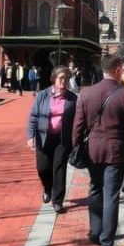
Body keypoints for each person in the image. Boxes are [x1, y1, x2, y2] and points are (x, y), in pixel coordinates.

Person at [73, 54, 124, 246]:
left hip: (93, 150)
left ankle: (95, 231)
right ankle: (107, 245)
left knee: (95, 188)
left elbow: (78, 125)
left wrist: (76, 145)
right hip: (116, 151)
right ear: (118, 70)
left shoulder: (87, 93)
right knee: (111, 195)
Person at [26, 65, 77, 214]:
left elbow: (77, 119)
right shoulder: (42, 95)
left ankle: (58, 201)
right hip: (43, 137)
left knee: (59, 169)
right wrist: (30, 136)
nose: (63, 81)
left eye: (66, 79)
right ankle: (47, 187)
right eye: (61, 78)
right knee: (42, 168)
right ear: (54, 78)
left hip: (62, 139)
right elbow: (33, 117)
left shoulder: (72, 98)